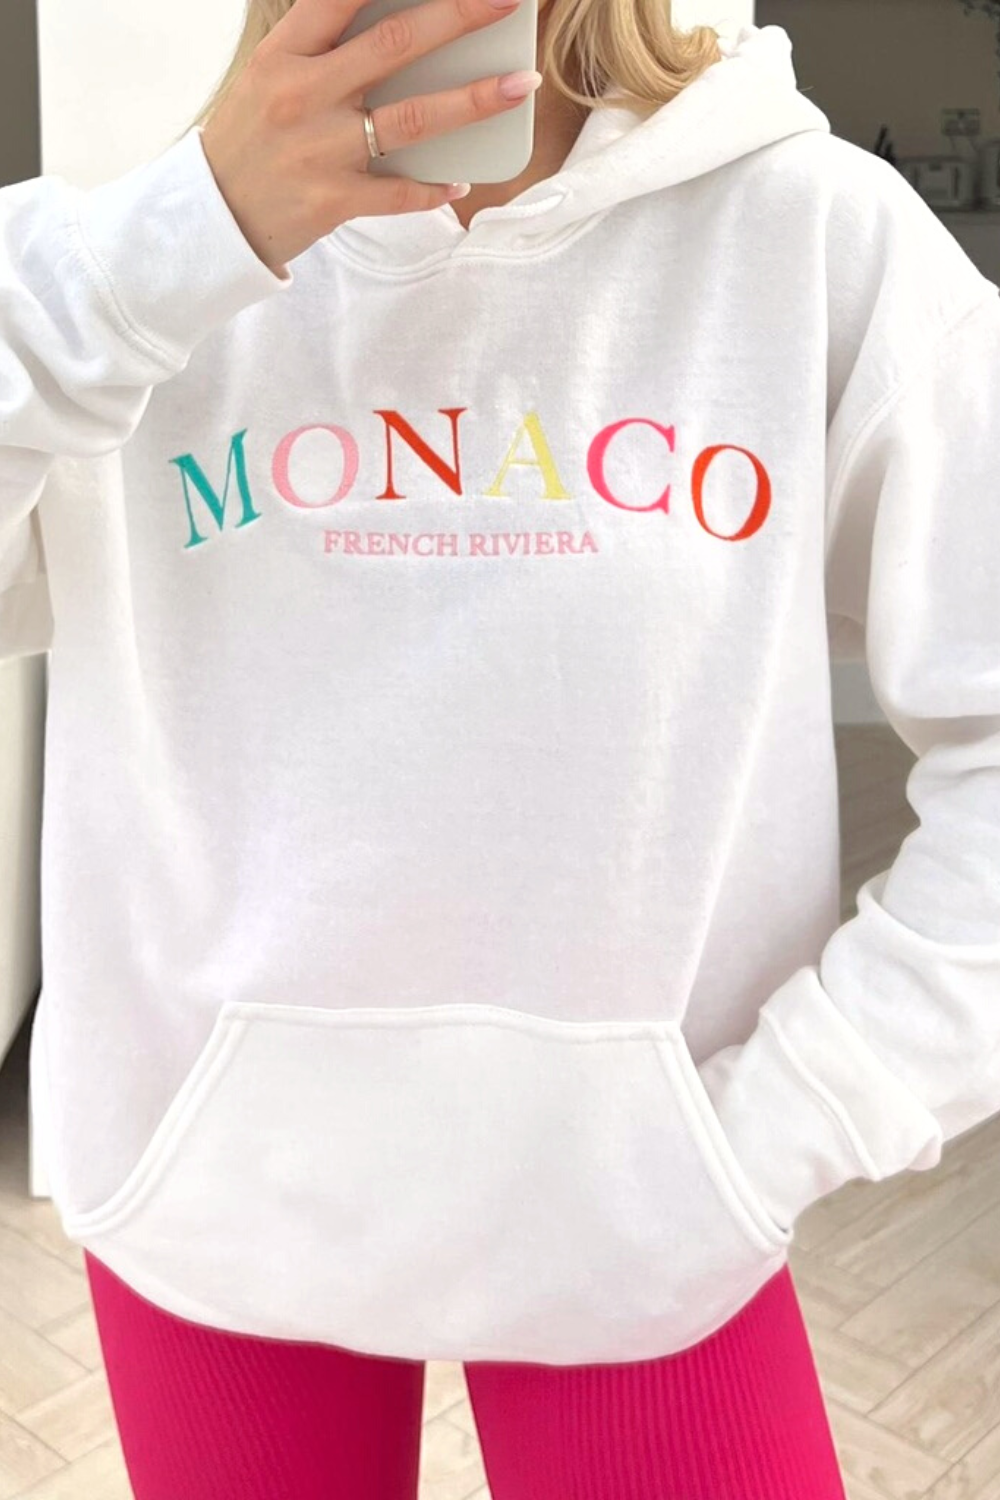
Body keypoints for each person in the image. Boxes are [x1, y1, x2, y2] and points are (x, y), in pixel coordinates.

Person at [3, 0, 999, 1492]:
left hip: (650, 1214)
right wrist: (181, 241)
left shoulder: (809, 237)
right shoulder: (117, 270)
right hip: (206, 1199)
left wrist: (788, 1121)